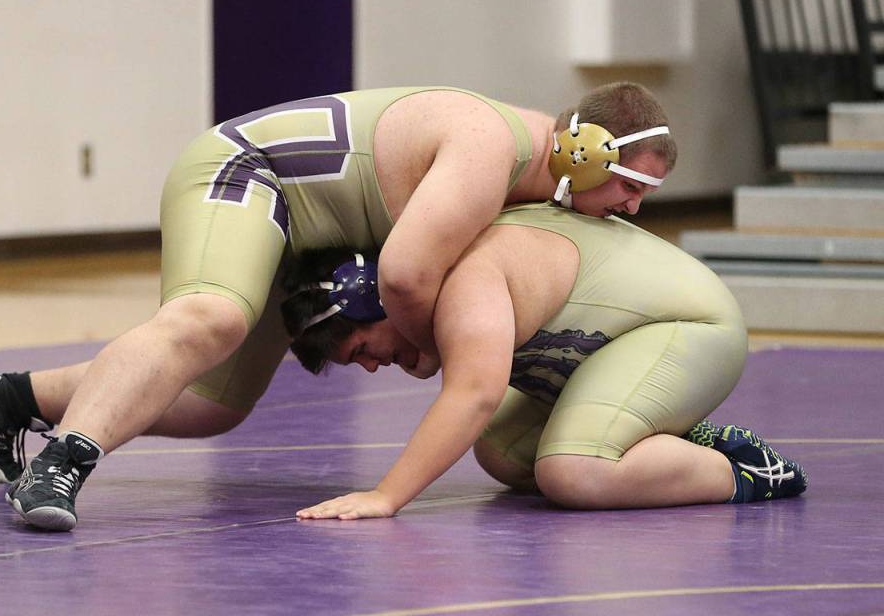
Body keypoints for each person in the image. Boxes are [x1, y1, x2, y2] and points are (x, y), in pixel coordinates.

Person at [0, 82, 675, 531]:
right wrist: (429, 351)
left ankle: (9, 397)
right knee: (213, 317)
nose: (633, 208)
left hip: (306, 223)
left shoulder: (532, 175)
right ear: (583, 151)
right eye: (627, 186)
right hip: (247, 175)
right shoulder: (493, 147)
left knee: (214, 404)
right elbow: (405, 274)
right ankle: (64, 464)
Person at [281, 204, 808, 520]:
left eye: (362, 351)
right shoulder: (435, 269)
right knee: (503, 453)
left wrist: (385, 496)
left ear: (375, 300)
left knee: (574, 471)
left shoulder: (464, 279)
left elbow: (474, 394)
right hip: (616, 346)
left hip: (689, 330)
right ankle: (683, 441)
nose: (373, 367)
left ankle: (749, 472)